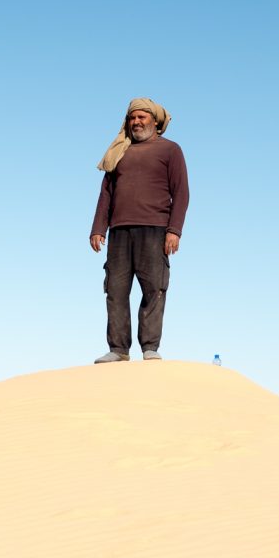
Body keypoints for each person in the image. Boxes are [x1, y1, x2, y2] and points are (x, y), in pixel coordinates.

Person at [89, 98, 189, 363]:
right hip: (119, 230)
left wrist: (174, 230)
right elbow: (106, 193)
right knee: (115, 290)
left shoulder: (170, 150)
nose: (136, 122)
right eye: (132, 118)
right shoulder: (118, 151)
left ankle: (150, 347)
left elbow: (181, 192)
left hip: (155, 229)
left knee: (154, 288)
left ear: (154, 121)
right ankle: (118, 349)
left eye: (141, 117)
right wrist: (98, 228)